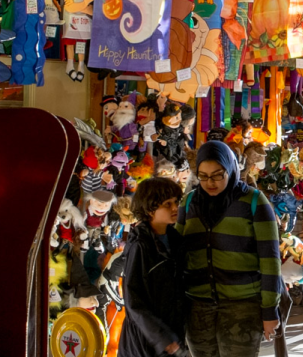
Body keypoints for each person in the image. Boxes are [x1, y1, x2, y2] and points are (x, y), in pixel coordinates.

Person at [176, 140, 283, 357]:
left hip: (242, 307)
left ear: (231, 168)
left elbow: (270, 259)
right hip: (197, 307)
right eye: (203, 176)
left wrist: (269, 309)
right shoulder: (188, 202)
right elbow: (178, 253)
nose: (210, 182)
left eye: (217, 174)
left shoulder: (253, 200)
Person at [118, 177, 185, 357]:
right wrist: (161, 338)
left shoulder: (176, 240)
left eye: (176, 202)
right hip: (145, 341)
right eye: (167, 204)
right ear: (149, 209)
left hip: (171, 335)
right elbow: (133, 301)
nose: (174, 208)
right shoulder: (140, 245)